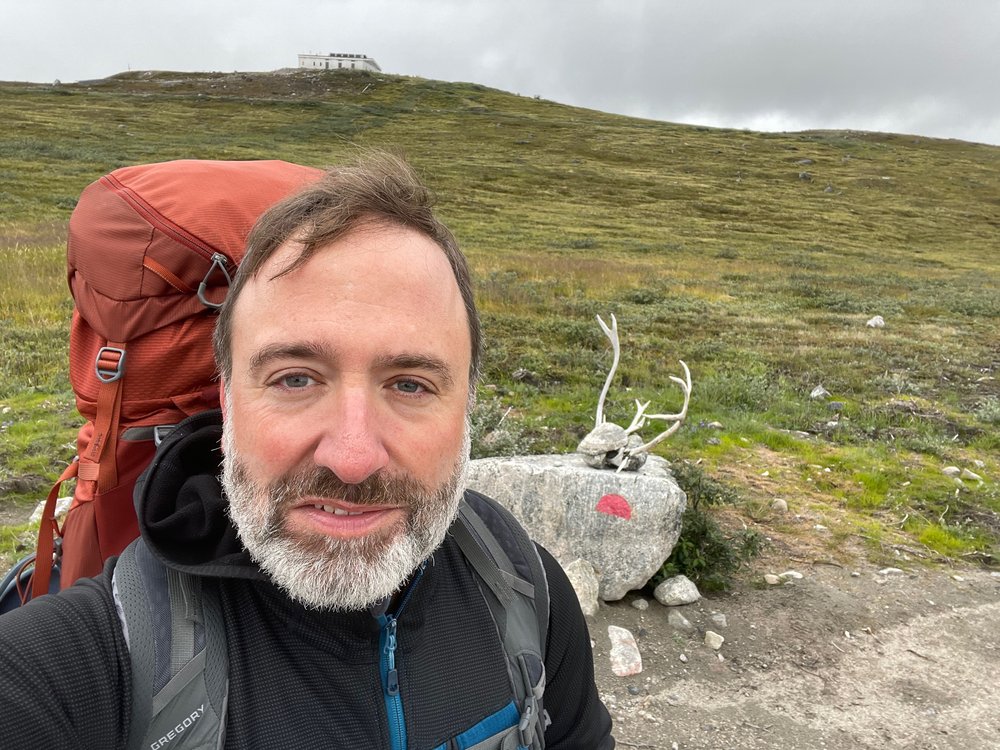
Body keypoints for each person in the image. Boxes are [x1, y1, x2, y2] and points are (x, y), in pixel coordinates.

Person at [0, 153, 615, 749]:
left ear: (467, 406)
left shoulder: (527, 590)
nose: (351, 457)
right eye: (295, 378)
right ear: (227, 399)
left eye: (410, 384)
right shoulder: (91, 660)